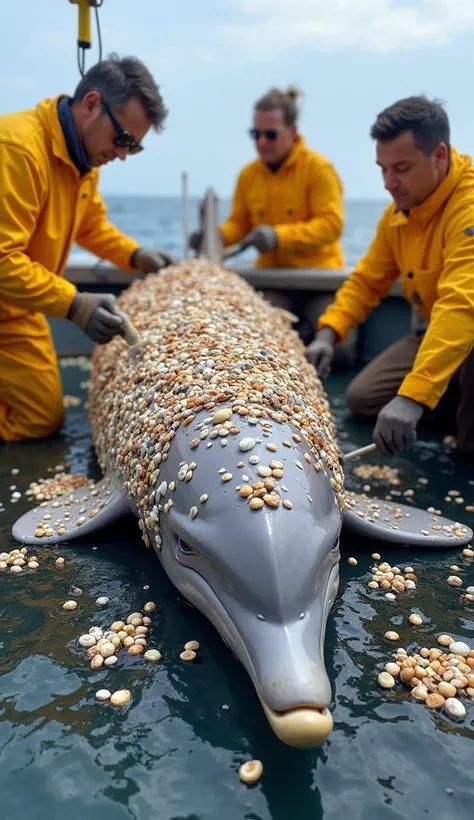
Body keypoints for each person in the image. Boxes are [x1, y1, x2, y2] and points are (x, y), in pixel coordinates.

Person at [0, 54, 177, 443]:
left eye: (134, 147)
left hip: (15, 307)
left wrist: (134, 255)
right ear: (92, 104)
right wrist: (74, 305)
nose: (122, 155)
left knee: (40, 418)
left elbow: (91, 226)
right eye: (123, 139)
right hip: (8, 289)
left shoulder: (82, 161)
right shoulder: (18, 149)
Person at [306, 95, 474, 458]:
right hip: (435, 332)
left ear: (440, 156)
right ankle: (451, 402)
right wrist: (327, 333)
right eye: (382, 168)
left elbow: (462, 307)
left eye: (401, 168)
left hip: (468, 330)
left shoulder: (468, 207)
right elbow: (366, 281)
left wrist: (413, 397)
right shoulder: (400, 213)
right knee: (363, 398)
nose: (388, 182)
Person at [189, 86, 352, 352]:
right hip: (273, 281)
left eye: (270, 135)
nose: (261, 142)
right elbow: (240, 223)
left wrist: (278, 237)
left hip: (320, 281)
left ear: (292, 132)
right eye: (255, 134)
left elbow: (331, 225)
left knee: (342, 348)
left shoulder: (319, 170)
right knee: (260, 337)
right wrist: (215, 236)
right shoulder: (248, 176)